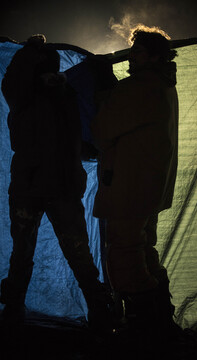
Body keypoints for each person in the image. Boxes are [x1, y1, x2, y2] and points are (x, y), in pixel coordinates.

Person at [0, 34, 112, 333]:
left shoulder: (66, 96)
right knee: (34, 252)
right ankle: (13, 311)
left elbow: (86, 137)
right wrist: (32, 50)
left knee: (73, 252)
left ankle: (100, 312)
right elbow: (14, 80)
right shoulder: (25, 95)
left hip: (51, 184)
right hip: (39, 184)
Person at [91, 25, 179, 342]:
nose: (131, 57)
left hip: (129, 187)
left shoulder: (139, 87)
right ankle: (161, 325)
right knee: (144, 253)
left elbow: (102, 130)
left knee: (125, 256)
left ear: (155, 55)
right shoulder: (164, 85)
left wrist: (102, 95)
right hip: (149, 188)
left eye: (138, 51)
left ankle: (145, 330)